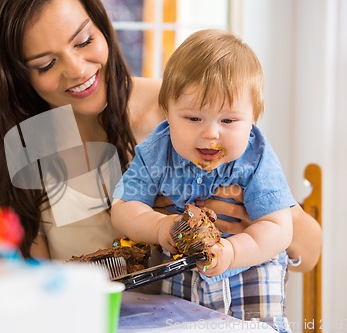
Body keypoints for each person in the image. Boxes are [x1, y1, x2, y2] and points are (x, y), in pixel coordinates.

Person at [0, 0, 321, 274]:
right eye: (46, 64)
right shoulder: (28, 146)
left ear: (101, 26)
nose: (78, 70)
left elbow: (309, 252)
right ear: (15, 75)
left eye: (84, 41)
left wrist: (251, 230)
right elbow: (34, 288)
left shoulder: (184, 115)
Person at [111, 29, 294, 331]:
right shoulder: (157, 151)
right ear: (167, 112)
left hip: (249, 277)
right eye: (194, 118)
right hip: (184, 279)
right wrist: (158, 226)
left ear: (253, 119)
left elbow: (278, 227)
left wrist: (233, 252)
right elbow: (123, 206)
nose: (211, 133)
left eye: (228, 121)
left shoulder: (256, 156)